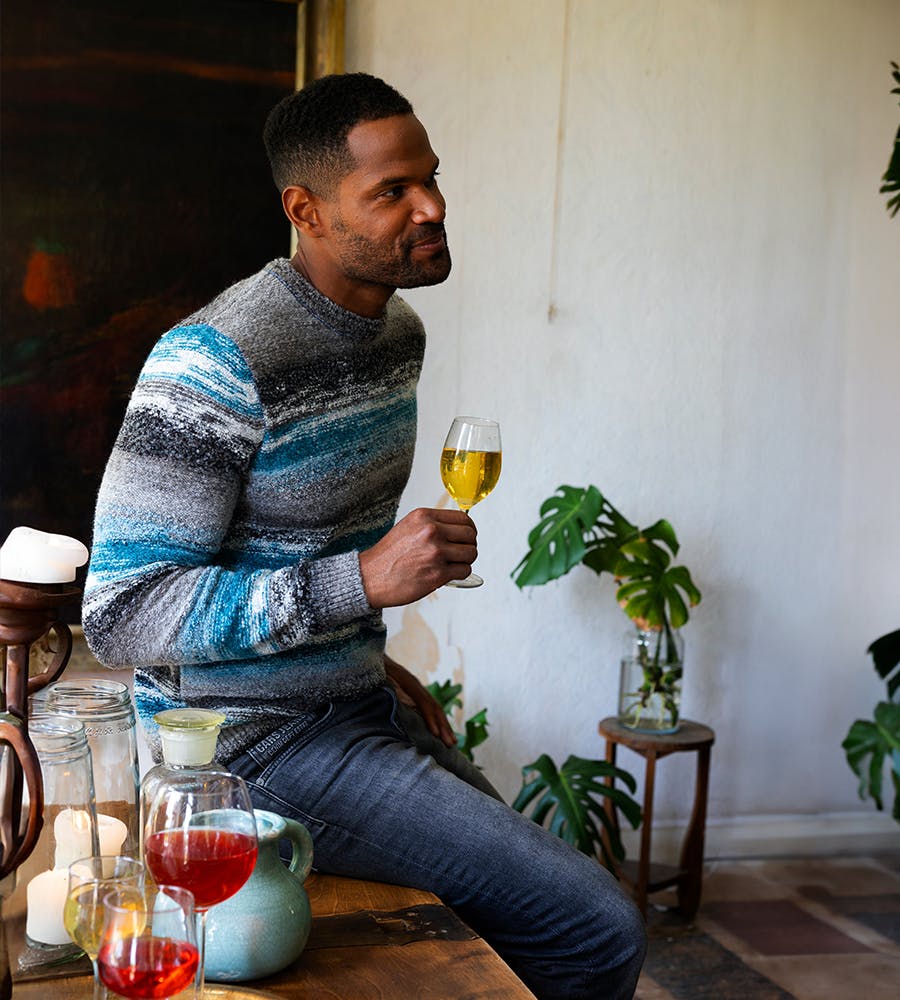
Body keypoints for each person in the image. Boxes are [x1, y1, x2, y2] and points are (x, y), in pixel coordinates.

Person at [83, 72, 646, 998]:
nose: (432, 208)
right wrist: (363, 582)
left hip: (355, 706)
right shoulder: (214, 361)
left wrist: (372, 657)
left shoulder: (396, 337)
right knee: (595, 927)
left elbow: (295, 552)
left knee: (528, 919)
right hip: (247, 751)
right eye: (392, 191)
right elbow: (123, 614)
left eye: (431, 178)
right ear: (305, 211)